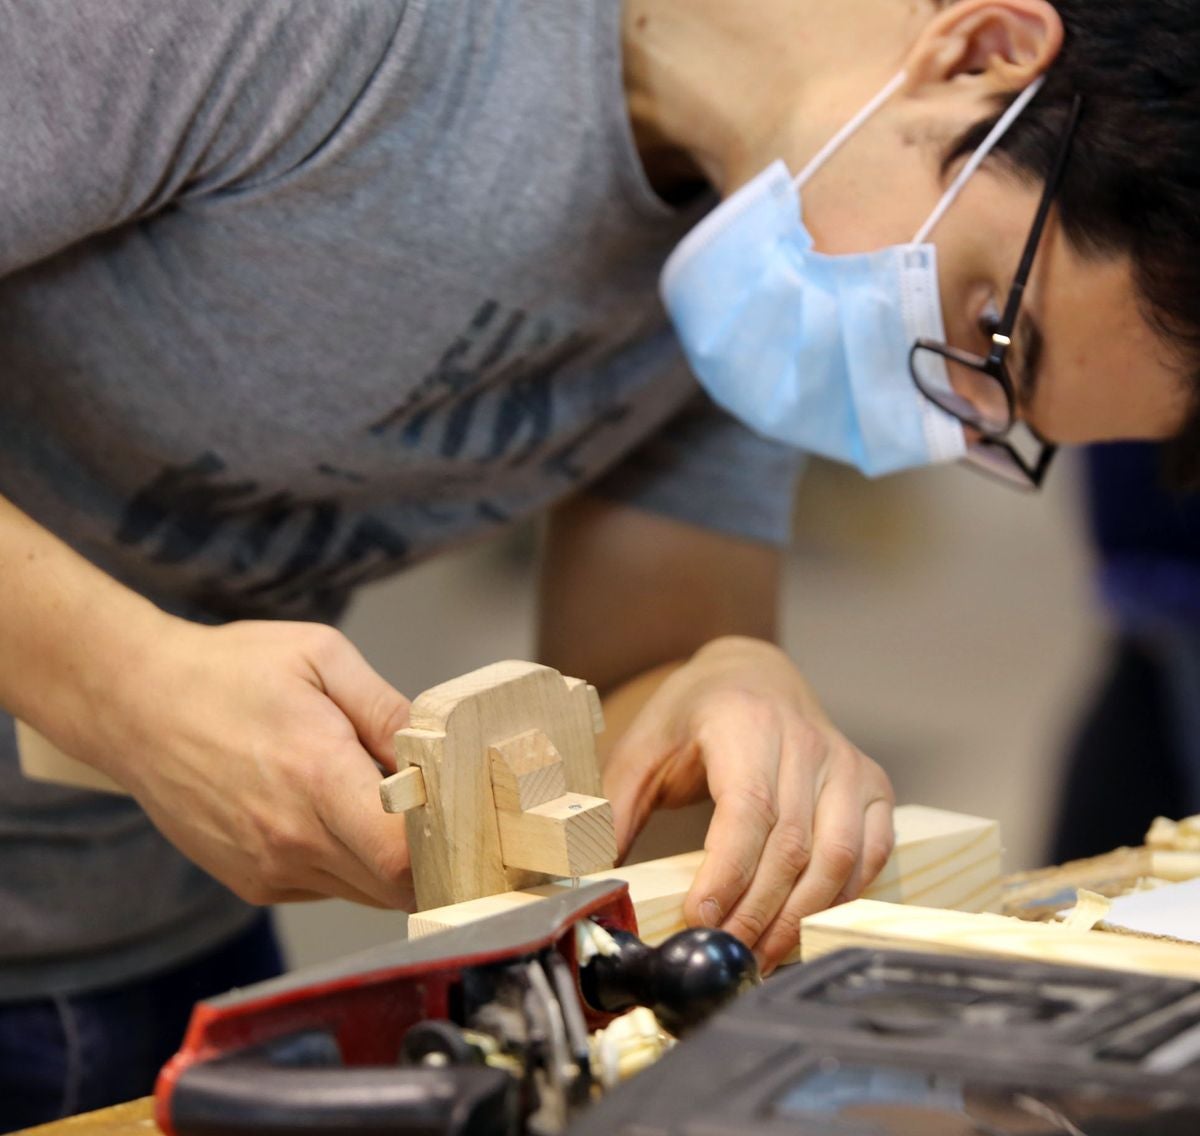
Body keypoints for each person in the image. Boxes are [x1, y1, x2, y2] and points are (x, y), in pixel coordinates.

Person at [0, 0, 1197, 1125]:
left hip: (149, 944)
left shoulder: (766, 247)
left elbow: (627, 711)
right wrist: (123, 681)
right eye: (994, 328)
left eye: (998, 423)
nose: (933, 412)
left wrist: (718, 683)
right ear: (982, 48)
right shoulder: (325, 35)